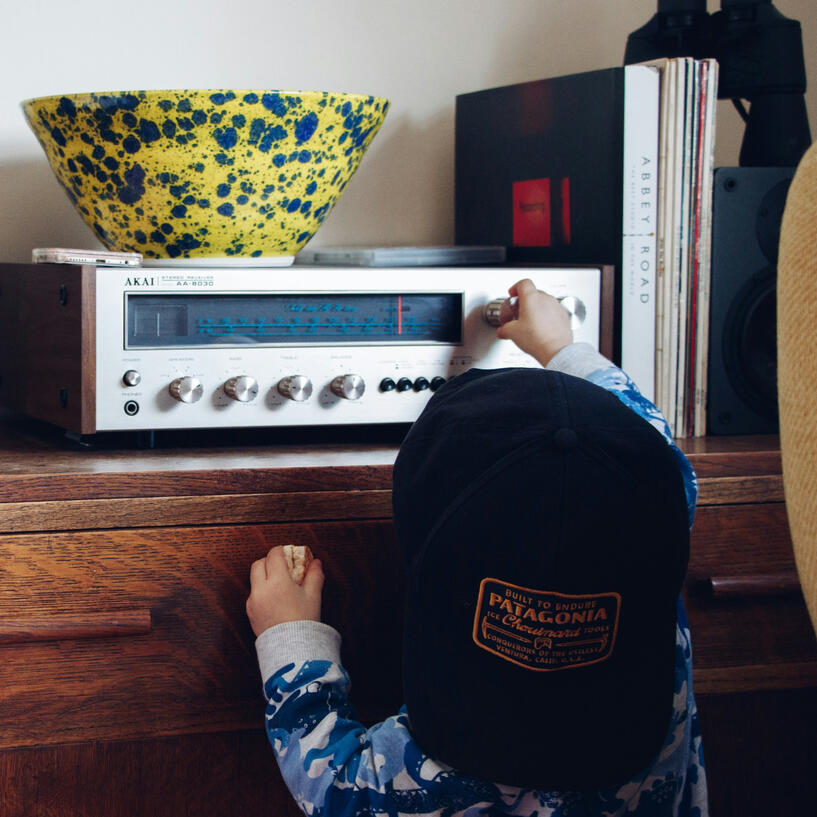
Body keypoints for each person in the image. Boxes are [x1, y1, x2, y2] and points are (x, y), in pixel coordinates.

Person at [246, 278, 708, 817]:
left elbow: (332, 785)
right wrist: (565, 348)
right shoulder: (659, 665)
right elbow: (660, 456)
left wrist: (289, 632)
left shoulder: (438, 769)